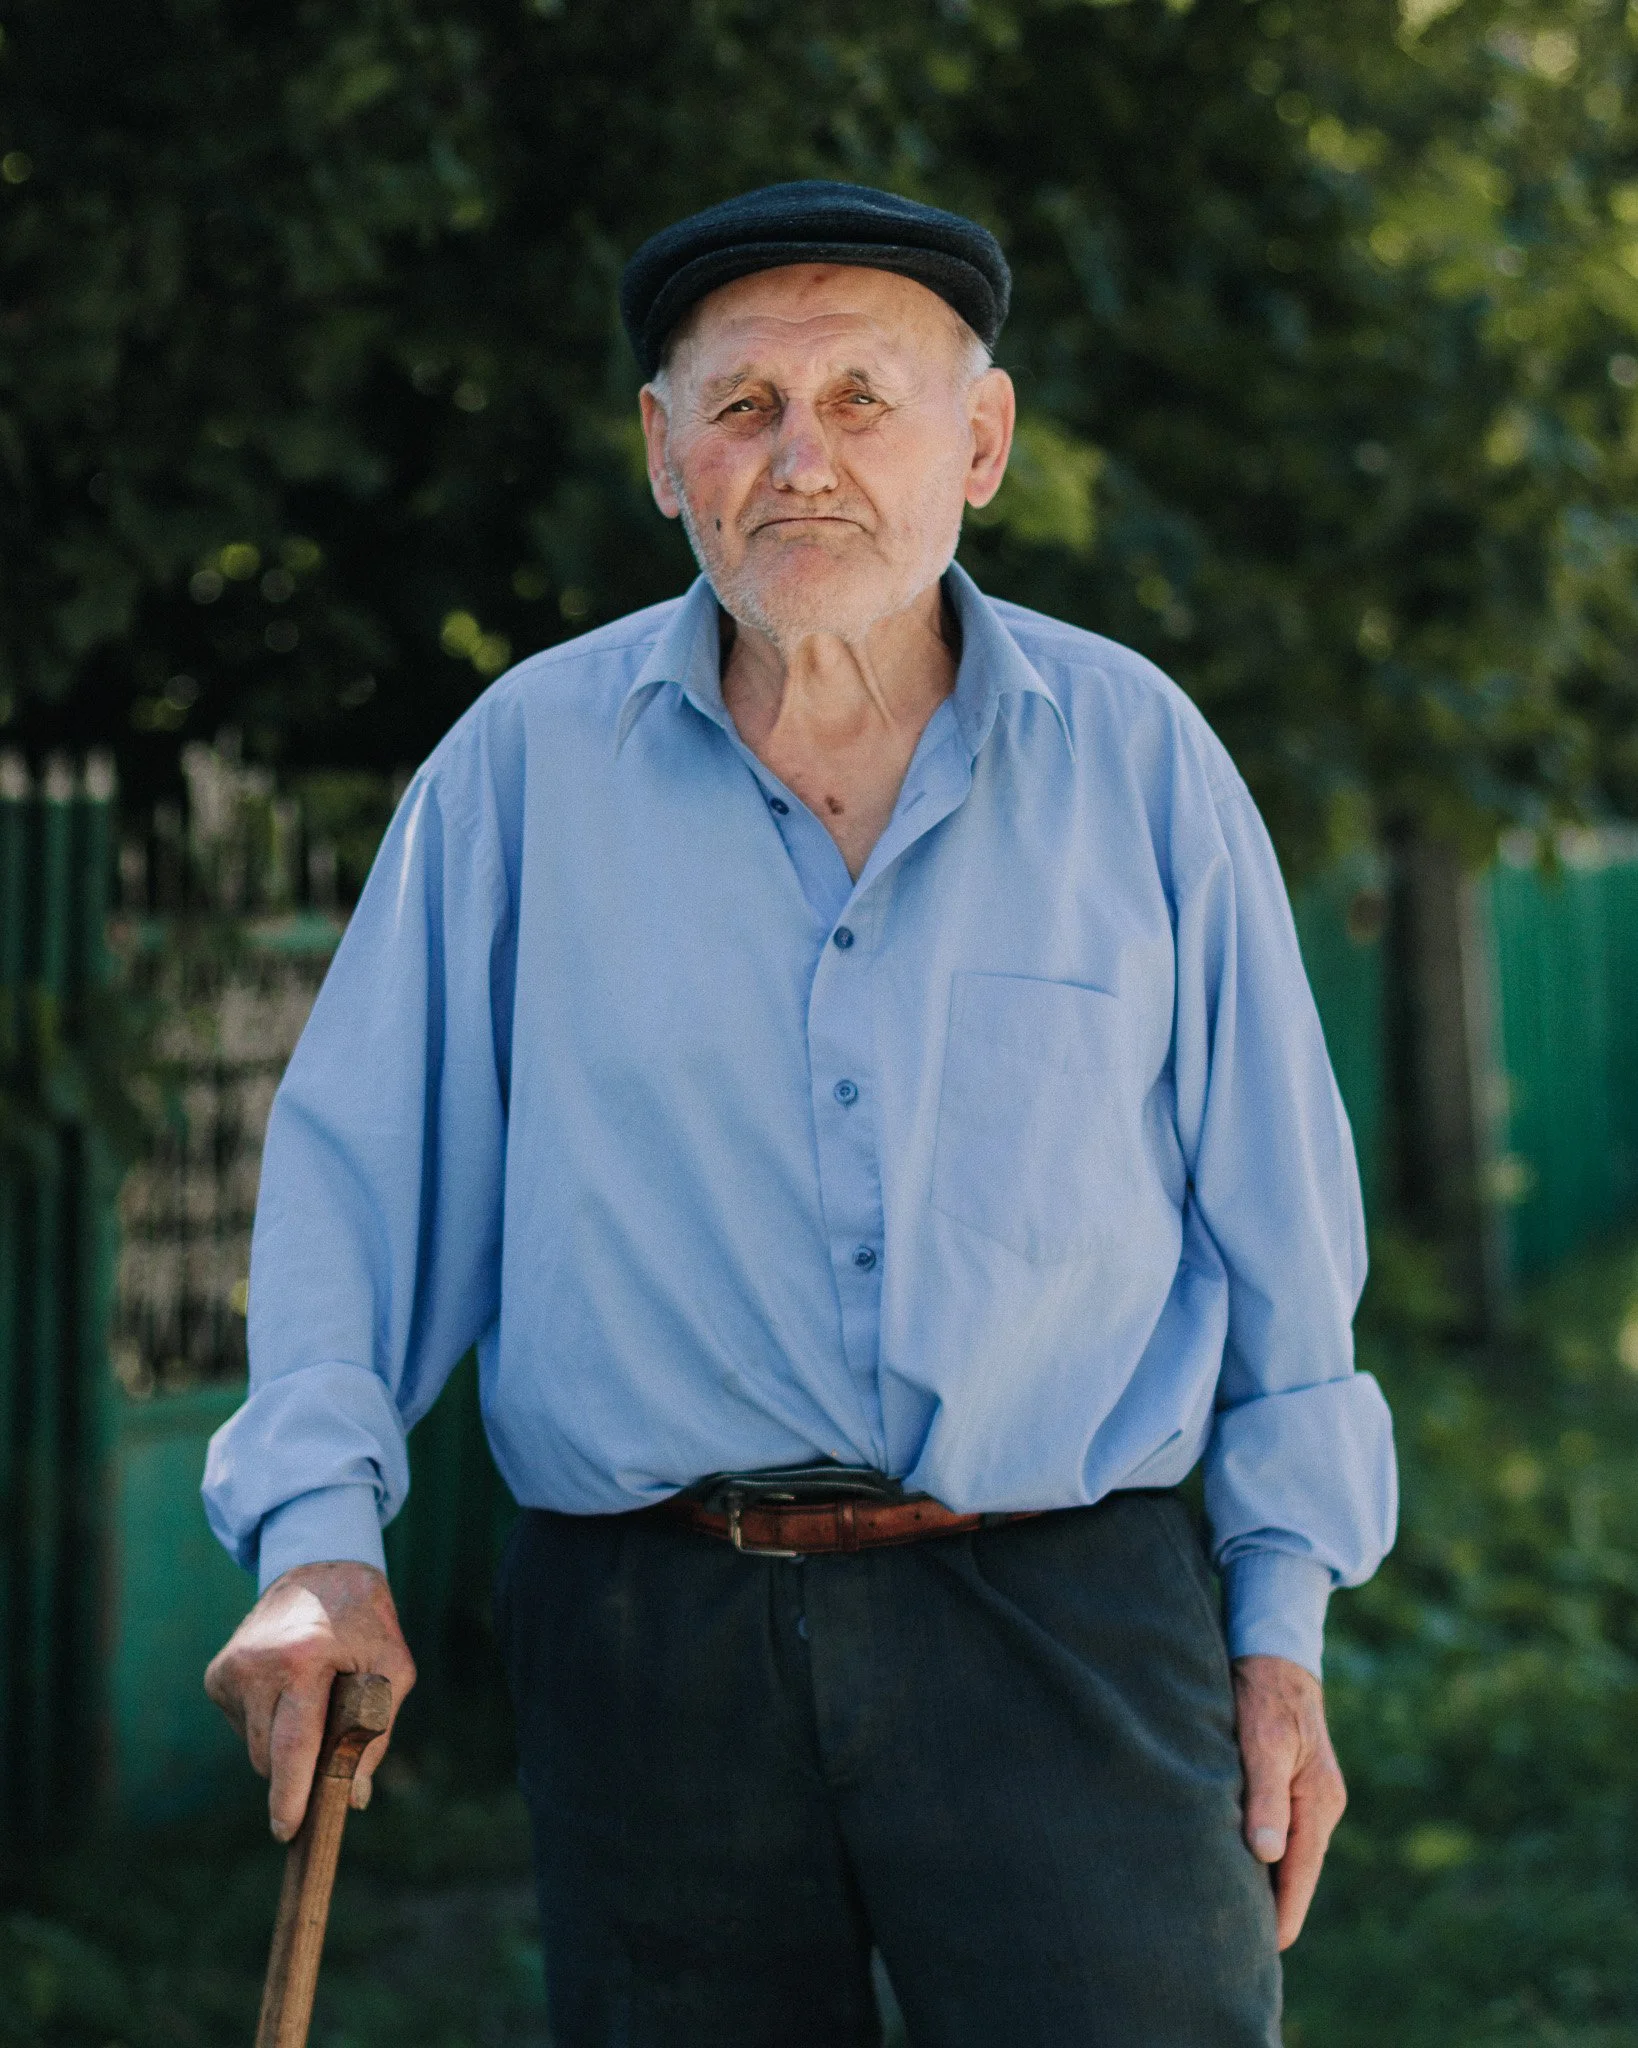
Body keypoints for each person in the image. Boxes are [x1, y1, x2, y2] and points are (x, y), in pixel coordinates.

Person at [202, 181, 1397, 2046]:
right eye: (743, 406)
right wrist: (313, 1546)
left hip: (1067, 1624)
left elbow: (1281, 1228)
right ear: (663, 456)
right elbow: (358, 1186)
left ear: (978, 442)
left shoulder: (1138, 758)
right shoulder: (521, 768)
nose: (800, 459)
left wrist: (1281, 1624)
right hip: (648, 1644)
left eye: (863, 399)